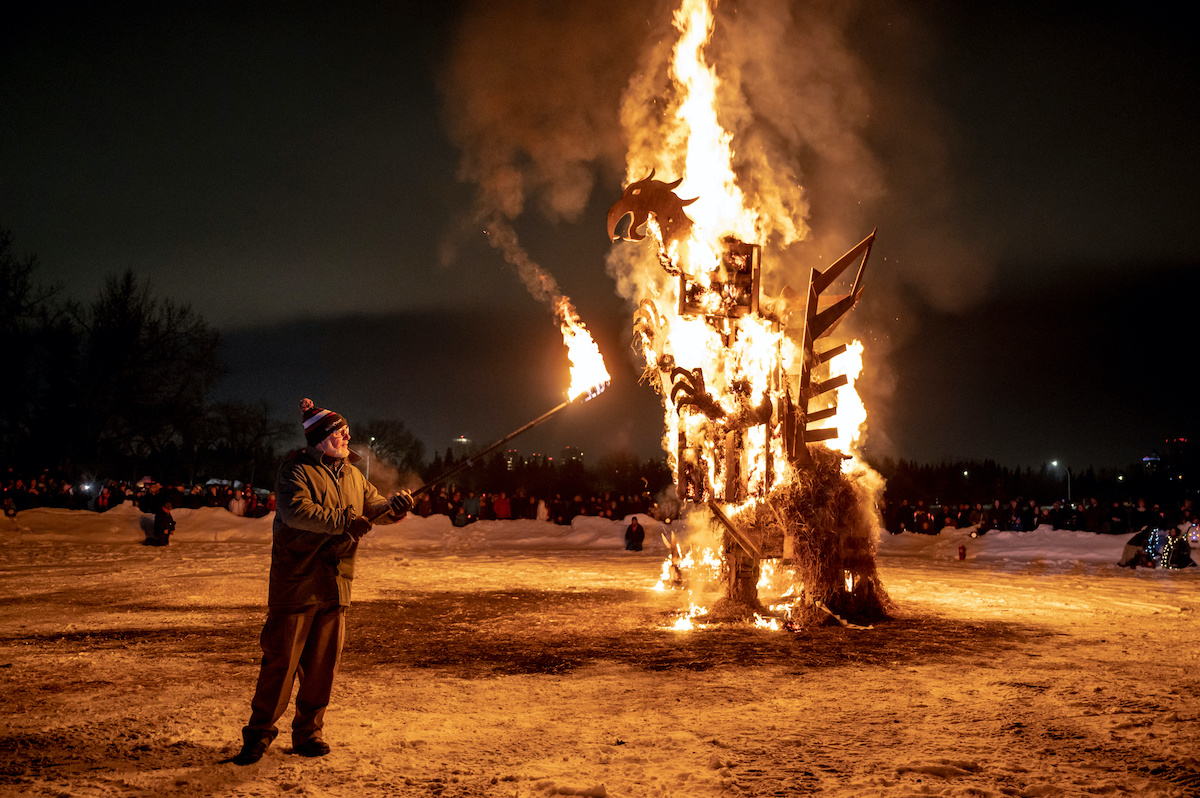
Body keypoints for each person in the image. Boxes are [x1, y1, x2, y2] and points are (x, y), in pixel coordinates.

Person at [231, 398, 413, 766]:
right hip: (297, 583)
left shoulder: (353, 475)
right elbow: (297, 512)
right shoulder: (294, 470)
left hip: (335, 582)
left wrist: (394, 507)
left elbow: (372, 508)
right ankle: (258, 734)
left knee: (321, 668)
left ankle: (308, 732)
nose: (347, 436)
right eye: (339, 431)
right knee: (280, 663)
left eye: (345, 430)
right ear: (321, 437)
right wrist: (347, 521)